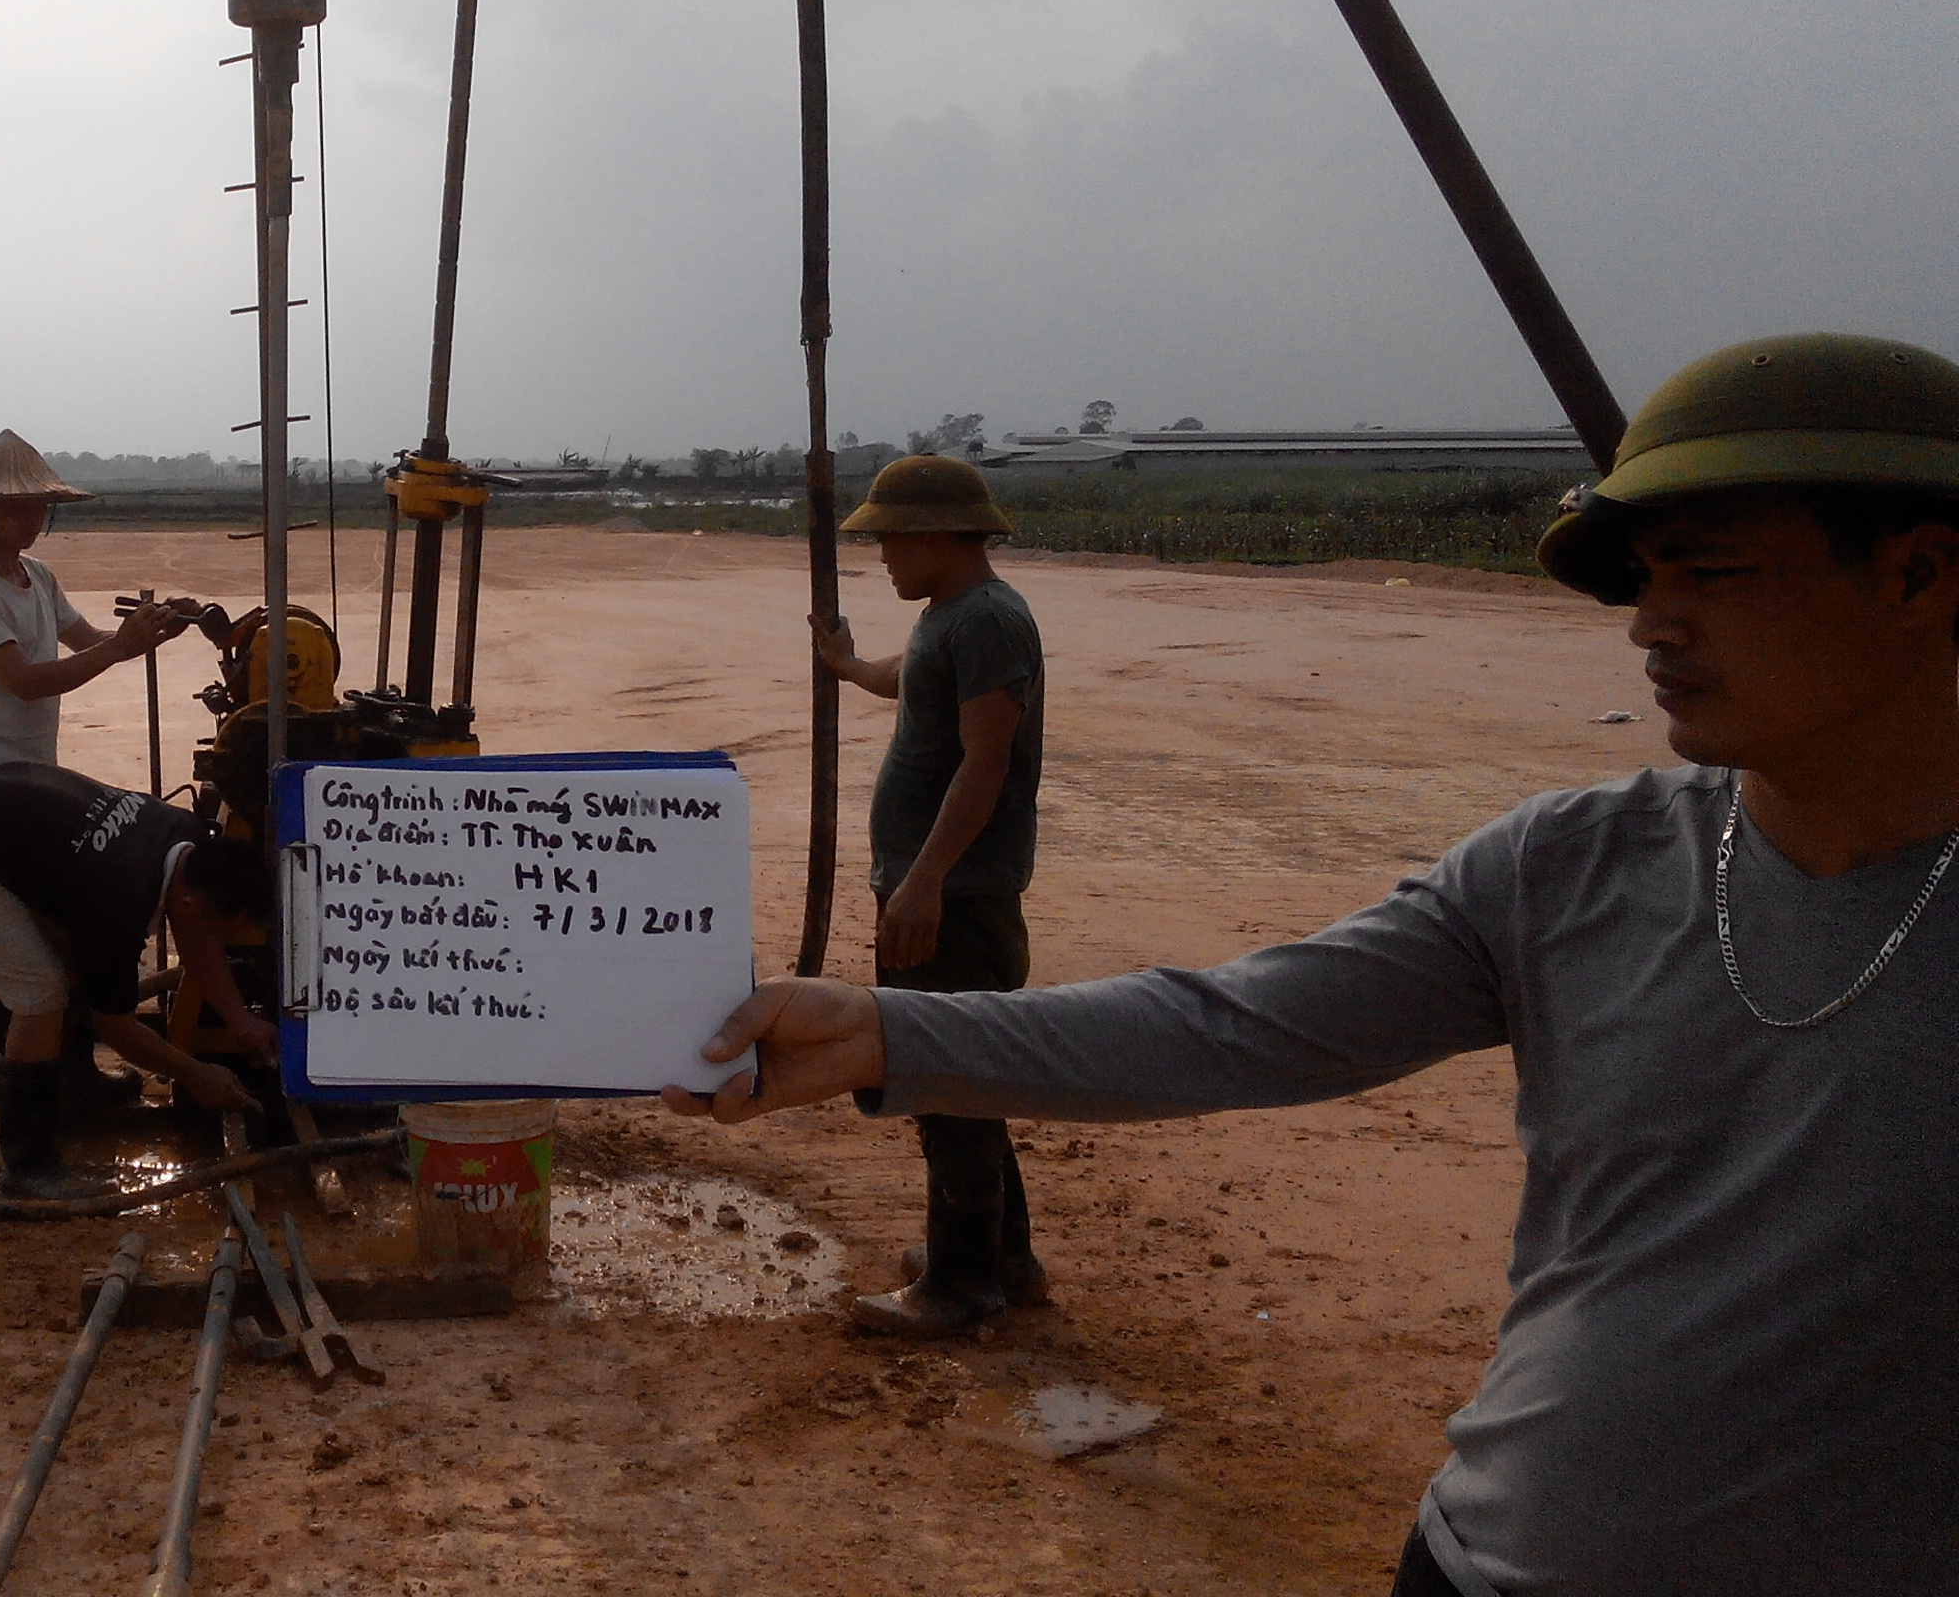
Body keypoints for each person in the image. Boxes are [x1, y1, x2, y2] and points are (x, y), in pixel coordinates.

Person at [679, 334, 1959, 1597]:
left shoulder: (990, 621)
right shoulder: (1562, 869)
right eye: (1642, 578)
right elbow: (1229, 1025)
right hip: (1482, 1562)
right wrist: (884, 1033)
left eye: (1711, 571)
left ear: (1915, 577)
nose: (1651, 626)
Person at [807, 454, 1051, 1336]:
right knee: (962, 1078)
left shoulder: (987, 621)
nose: (881, 557)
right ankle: (1004, 1260)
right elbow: (908, 680)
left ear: (940, 536)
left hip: (957, 899)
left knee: (946, 1081)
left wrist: (924, 880)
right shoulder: (952, 616)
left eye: (891, 540)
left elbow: (985, 764)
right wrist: (846, 665)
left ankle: (960, 1286)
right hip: (939, 890)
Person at [0, 429, 192, 1104]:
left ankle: (67, 1073)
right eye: (18, 507)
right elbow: (27, 681)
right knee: (14, 945)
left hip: (32, 783)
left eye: (40, 507)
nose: (32, 518)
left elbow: (88, 642)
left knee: (54, 929)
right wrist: (119, 650)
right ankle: (11, 1077)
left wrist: (152, 631)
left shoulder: (38, 578)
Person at [0, 762, 277, 1197]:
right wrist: (196, 1075)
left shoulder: (184, 833)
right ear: (192, 903)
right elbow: (114, 1026)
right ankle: (29, 1167)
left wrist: (240, 1019)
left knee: (71, 972)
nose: (220, 939)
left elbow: (197, 932)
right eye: (225, 928)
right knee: (41, 993)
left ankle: (73, 1084)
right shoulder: (117, 906)